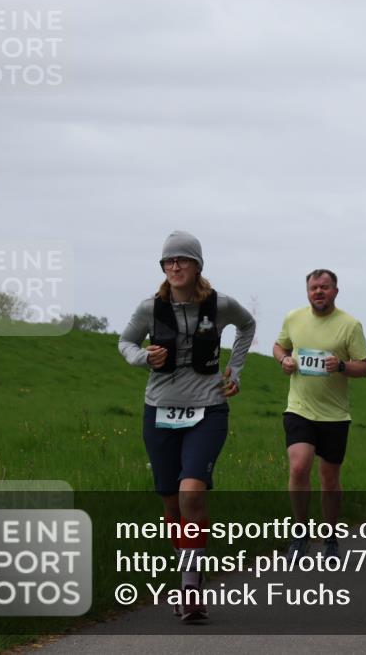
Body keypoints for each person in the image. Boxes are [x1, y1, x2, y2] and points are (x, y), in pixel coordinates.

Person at [118, 231, 256, 622]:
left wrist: (237, 369)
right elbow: (125, 343)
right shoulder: (150, 307)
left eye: (182, 260)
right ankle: (188, 571)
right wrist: (143, 357)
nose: (175, 266)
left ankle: (191, 585)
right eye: (168, 261)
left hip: (208, 409)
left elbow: (247, 326)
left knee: (191, 492)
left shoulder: (221, 304)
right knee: (170, 504)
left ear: (198, 266)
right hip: (159, 411)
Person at [274, 269, 366, 562]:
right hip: (300, 408)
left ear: (335, 292)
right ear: (307, 292)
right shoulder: (294, 318)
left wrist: (341, 366)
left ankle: (330, 536)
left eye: (325, 287)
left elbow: (364, 367)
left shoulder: (350, 325)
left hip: (334, 415)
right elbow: (279, 346)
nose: (319, 292)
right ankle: (300, 533)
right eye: (314, 288)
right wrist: (285, 360)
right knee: (299, 466)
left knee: (329, 478)